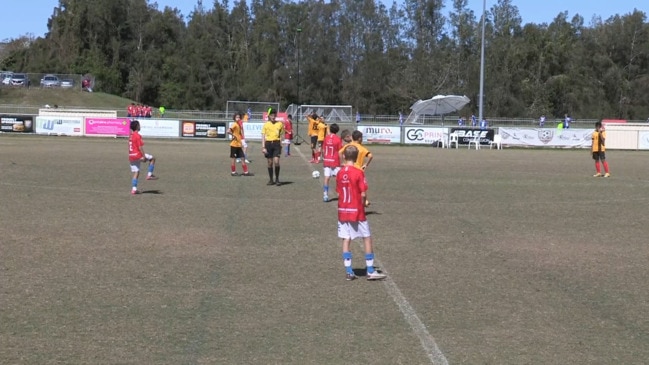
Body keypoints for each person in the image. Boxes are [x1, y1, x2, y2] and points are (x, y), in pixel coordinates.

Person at [337, 146, 387, 281]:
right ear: (357, 157)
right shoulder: (358, 172)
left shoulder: (340, 173)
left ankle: (349, 271)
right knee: (366, 237)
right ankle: (370, 270)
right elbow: (363, 193)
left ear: (344, 156)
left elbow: (339, 191)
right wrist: (362, 204)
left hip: (342, 209)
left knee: (346, 238)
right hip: (356, 210)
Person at [128, 120, 158, 195]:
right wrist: (143, 156)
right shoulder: (138, 135)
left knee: (136, 172)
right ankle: (149, 174)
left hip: (131, 156)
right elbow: (140, 147)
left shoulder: (130, 135)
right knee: (152, 159)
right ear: (137, 127)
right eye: (139, 125)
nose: (140, 126)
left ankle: (134, 189)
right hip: (137, 155)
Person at [261, 108, 284, 185]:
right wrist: (263, 147)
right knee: (270, 162)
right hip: (268, 144)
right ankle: (271, 180)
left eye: (274, 115)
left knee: (276, 161)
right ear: (269, 116)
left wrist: (281, 144)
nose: (273, 117)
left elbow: (281, 135)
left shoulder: (280, 124)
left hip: (276, 144)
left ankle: (277, 179)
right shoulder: (266, 124)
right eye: (272, 115)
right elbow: (263, 136)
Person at [322, 123, 342, 202]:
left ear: (330, 129)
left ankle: (325, 195)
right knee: (338, 178)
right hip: (335, 160)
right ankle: (339, 194)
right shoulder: (338, 139)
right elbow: (340, 151)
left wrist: (324, 157)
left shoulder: (326, 138)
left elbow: (323, 150)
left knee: (327, 178)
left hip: (327, 160)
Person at [228, 112, 252, 176]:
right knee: (233, 159)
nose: (238, 118)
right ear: (234, 118)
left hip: (239, 144)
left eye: (239, 117)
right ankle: (233, 172)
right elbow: (228, 131)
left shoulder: (238, 124)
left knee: (242, 157)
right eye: (236, 117)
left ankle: (246, 172)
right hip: (234, 145)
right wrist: (233, 135)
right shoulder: (234, 124)